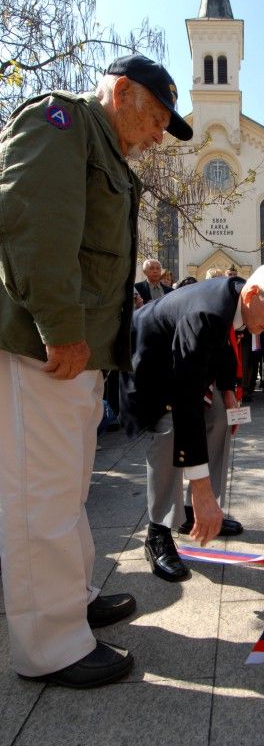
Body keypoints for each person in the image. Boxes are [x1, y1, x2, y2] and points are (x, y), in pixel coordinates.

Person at [0, 52, 193, 689]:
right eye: (160, 113)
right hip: (46, 346)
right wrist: (59, 326)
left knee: (67, 489)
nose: (161, 131)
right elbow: (34, 223)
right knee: (41, 497)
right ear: (122, 91)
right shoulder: (63, 122)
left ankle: (72, 599)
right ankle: (50, 645)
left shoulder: (103, 149)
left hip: (79, 354)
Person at [119, 261, 264, 567]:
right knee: (168, 434)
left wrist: (229, 392)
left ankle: (196, 512)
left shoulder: (238, 293)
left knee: (219, 416)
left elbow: (222, 344)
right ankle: (159, 530)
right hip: (152, 367)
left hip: (186, 361)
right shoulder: (205, 314)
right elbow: (186, 401)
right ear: (253, 295)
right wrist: (201, 484)